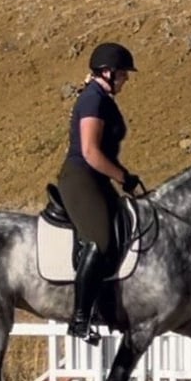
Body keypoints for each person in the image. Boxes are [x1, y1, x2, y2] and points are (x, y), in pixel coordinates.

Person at [57, 41, 142, 345]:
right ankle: (80, 319)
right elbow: (91, 152)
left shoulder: (101, 98)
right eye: (122, 74)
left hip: (97, 179)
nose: (126, 79)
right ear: (106, 72)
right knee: (100, 239)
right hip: (82, 176)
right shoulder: (93, 100)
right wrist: (123, 176)